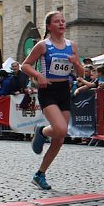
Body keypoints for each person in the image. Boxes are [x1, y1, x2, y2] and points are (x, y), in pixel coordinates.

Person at [21, 11, 85, 190]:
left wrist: (77, 63)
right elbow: (24, 65)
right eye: (57, 22)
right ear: (49, 26)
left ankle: (39, 174)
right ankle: (42, 131)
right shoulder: (43, 45)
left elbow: (82, 74)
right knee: (61, 129)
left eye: (63, 21)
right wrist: (38, 75)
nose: (61, 24)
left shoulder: (72, 46)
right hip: (47, 90)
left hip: (64, 90)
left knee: (59, 138)